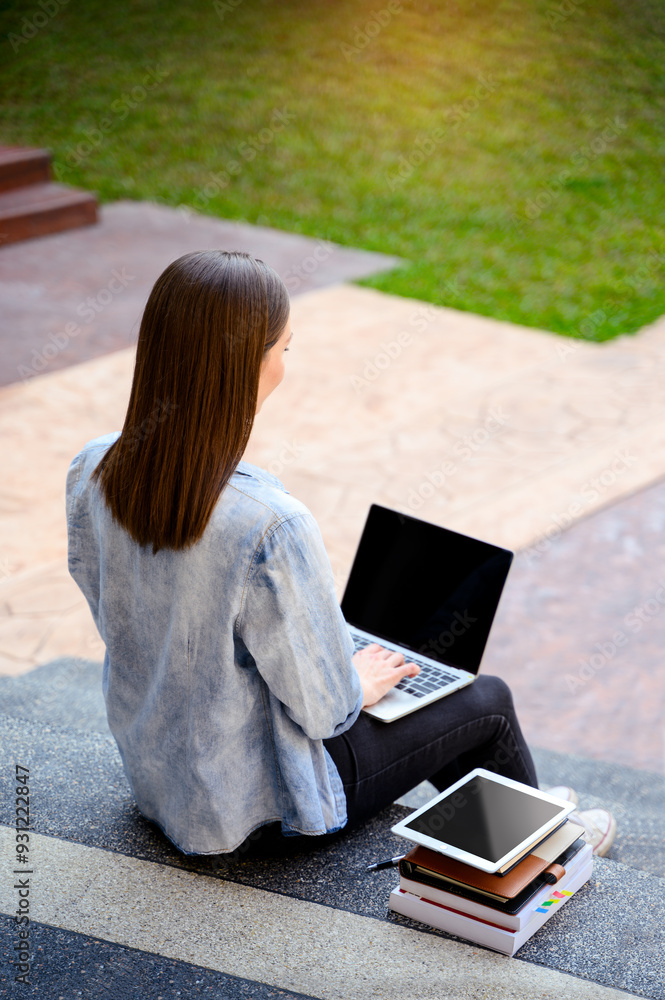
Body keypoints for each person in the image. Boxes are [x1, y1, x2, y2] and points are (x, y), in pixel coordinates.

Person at [66, 250, 615, 857]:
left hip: (159, 779)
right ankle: (549, 851)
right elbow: (328, 715)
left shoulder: (94, 467)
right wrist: (353, 679)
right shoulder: (270, 525)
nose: (283, 365)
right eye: (283, 349)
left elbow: (114, 607)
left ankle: (519, 818)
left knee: (421, 700)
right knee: (486, 702)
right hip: (260, 806)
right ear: (247, 365)